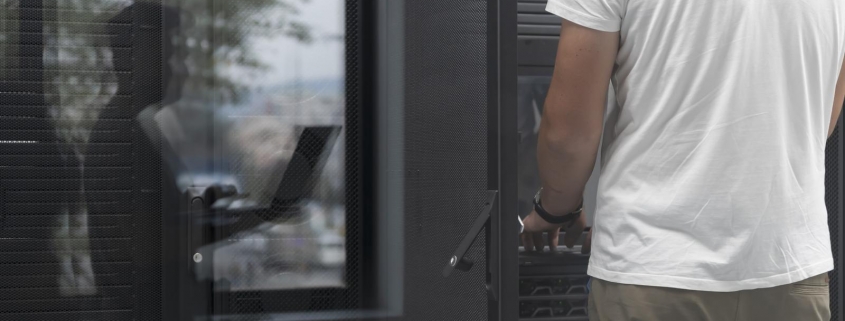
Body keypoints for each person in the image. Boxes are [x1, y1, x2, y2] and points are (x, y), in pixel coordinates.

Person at [521, 0, 845, 320]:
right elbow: (819, 123)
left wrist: (556, 207)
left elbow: (567, 134)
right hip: (791, 270)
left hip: (651, 268)